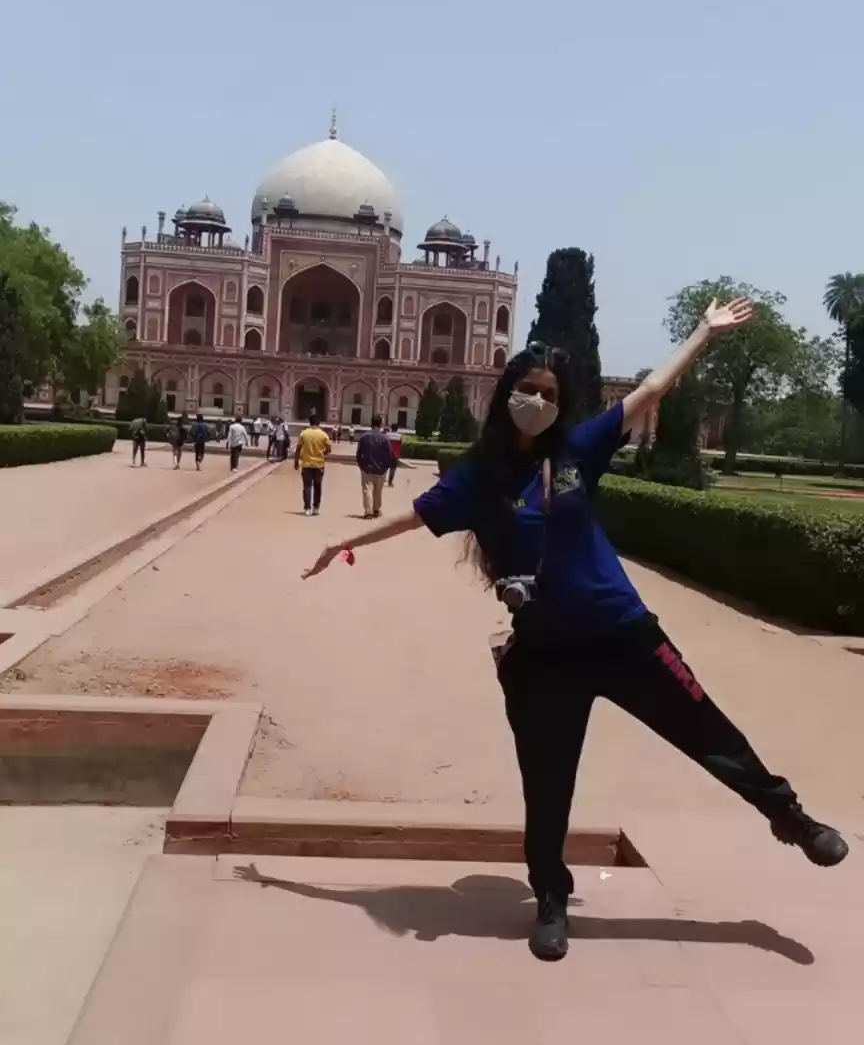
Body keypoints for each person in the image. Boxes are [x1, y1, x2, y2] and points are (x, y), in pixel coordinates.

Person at [302, 298, 848, 963]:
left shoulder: (576, 452)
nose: (537, 400)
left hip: (624, 636)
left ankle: (790, 817)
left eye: (549, 393)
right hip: (545, 656)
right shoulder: (478, 478)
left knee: (709, 731)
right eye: (527, 389)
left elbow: (649, 391)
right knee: (549, 784)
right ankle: (551, 900)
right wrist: (342, 545)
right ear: (506, 395)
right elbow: (414, 518)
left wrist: (703, 332)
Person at [356, 415, 393, 518]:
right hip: (380, 469)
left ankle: (368, 512)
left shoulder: (364, 437)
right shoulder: (385, 438)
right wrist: (386, 467)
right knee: (378, 491)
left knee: (367, 489)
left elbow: (359, 454)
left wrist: (361, 466)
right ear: (380, 424)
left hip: (367, 468)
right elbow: (390, 455)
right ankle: (376, 510)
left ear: (371, 423)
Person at [295, 414, 331, 515]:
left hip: (306, 464)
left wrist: (296, 461)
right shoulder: (323, 435)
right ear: (319, 423)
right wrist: (322, 453)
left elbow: (298, 449)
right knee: (317, 486)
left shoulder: (304, 434)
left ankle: (307, 508)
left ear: (309, 422)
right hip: (319, 465)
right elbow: (328, 449)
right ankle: (316, 507)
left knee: (307, 486)